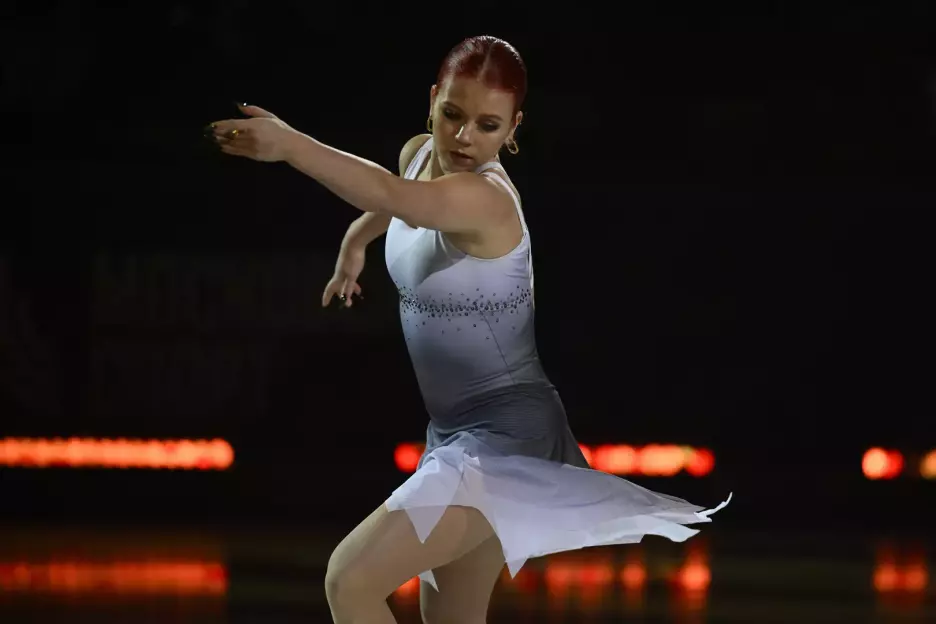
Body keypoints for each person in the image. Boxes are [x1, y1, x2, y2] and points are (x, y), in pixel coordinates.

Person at [209, 35, 730, 624]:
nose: (463, 138)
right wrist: (356, 240)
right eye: (452, 114)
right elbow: (397, 199)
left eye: (487, 125)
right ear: (432, 99)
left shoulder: (487, 200)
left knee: (350, 582)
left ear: (513, 128)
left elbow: (392, 194)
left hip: (506, 441)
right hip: (454, 435)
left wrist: (288, 145)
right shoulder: (418, 156)